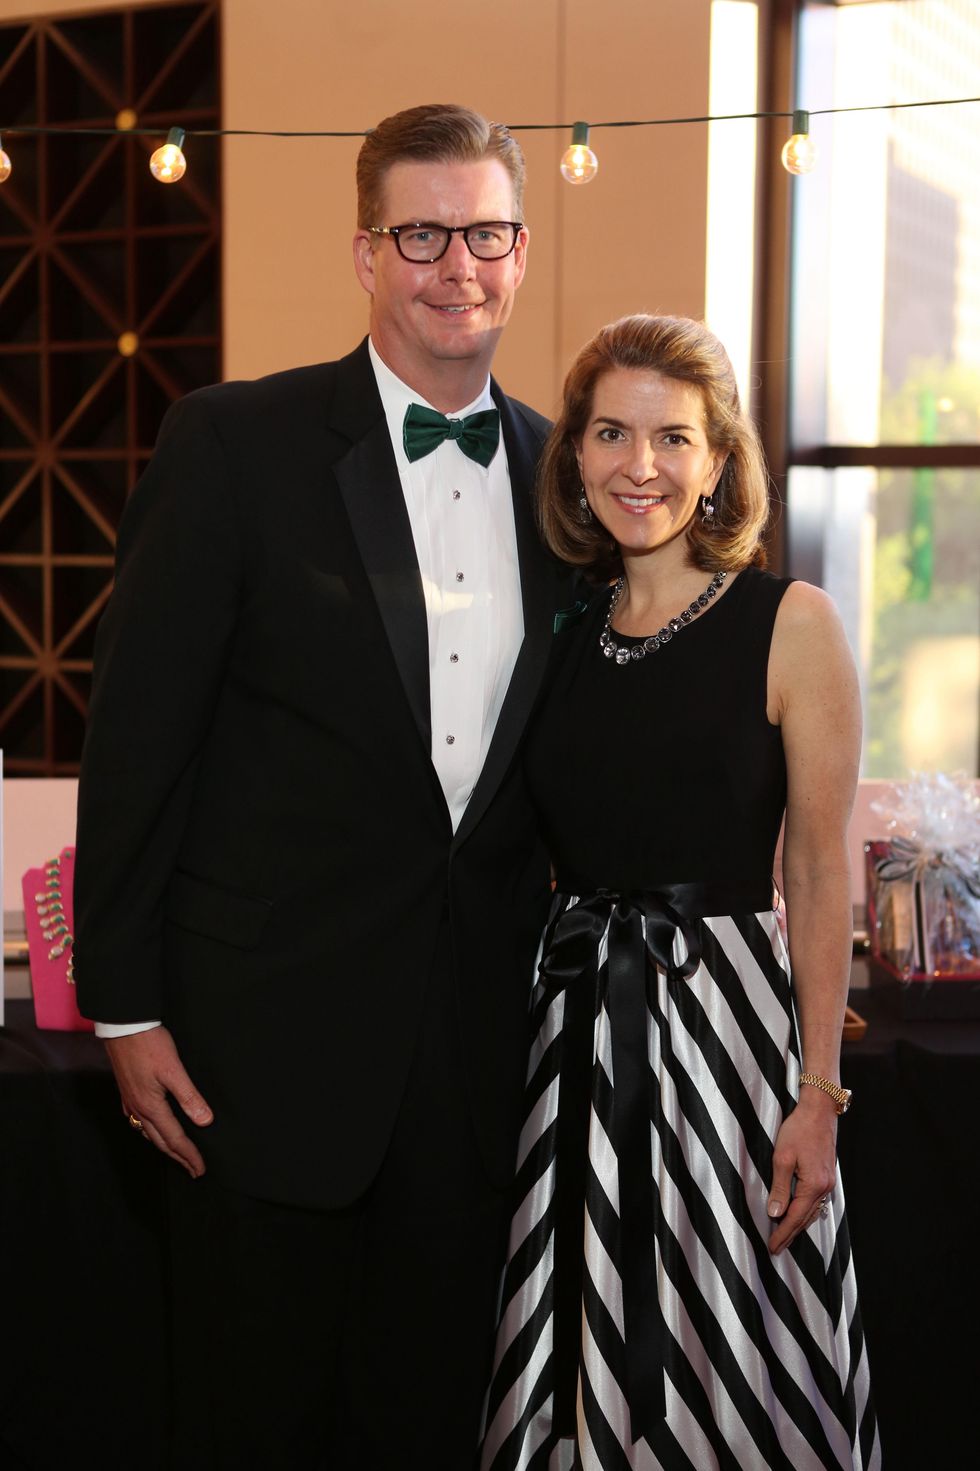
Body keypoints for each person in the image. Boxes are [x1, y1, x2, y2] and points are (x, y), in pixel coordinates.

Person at [73, 103, 573, 1469]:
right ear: (365, 253)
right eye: (422, 235)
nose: (456, 266)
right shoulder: (232, 443)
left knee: (427, 1424)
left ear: (521, 252)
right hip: (257, 1054)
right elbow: (139, 738)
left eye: (485, 234)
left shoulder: (567, 478)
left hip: (476, 1064)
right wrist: (123, 1002)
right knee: (250, 1421)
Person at [480, 315, 880, 1470]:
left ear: (716, 462)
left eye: (672, 438)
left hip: (730, 1037)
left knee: (735, 1342)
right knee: (577, 1330)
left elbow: (815, 869)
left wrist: (818, 1093)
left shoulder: (788, 622)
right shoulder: (556, 630)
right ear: (574, 455)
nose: (638, 465)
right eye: (610, 432)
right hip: (570, 1036)